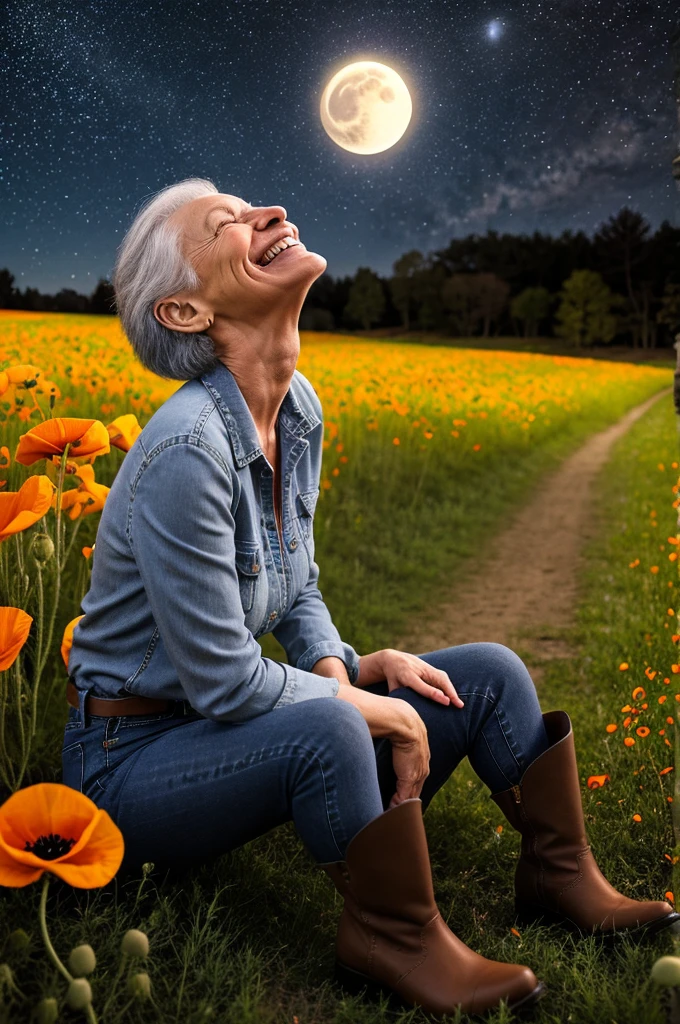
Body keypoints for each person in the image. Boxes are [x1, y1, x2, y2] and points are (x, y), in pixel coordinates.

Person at [62, 178, 678, 1019]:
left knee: (490, 674)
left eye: (252, 206)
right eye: (227, 226)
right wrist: (359, 705)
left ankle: (560, 876)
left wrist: (341, 666)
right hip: (128, 764)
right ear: (186, 313)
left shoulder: (298, 410)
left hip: (218, 729)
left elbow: (295, 584)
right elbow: (224, 684)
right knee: (331, 723)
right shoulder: (185, 452)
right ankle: (394, 938)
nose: (266, 215)